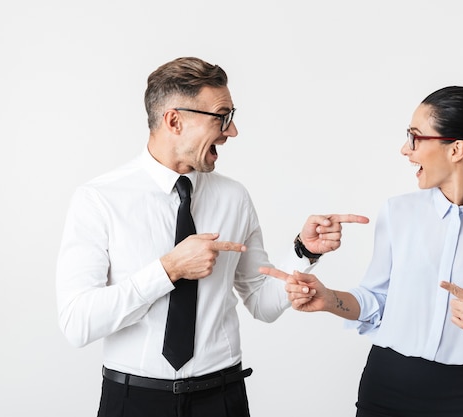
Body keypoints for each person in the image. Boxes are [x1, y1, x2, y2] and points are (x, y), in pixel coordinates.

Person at [55, 56, 369, 417]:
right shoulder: (99, 199)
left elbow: (261, 303)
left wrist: (303, 251)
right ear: (174, 120)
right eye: (222, 116)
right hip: (134, 402)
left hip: (221, 399)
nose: (231, 131)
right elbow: (77, 324)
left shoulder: (233, 197)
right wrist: (169, 269)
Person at [261, 86, 463, 417]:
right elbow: (375, 301)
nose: (404, 150)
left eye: (415, 137)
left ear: (456, 149)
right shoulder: (398, 213)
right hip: (385, 389)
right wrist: (328, 299)